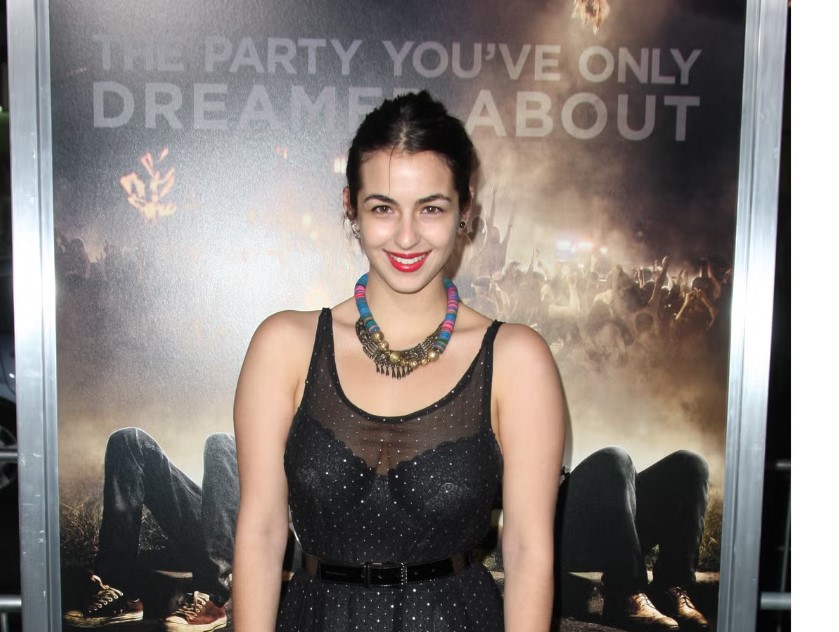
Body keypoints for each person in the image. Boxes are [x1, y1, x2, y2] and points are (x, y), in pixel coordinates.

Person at [232, 91, 567, 632]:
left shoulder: (516, 359)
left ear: (465, 208)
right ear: (352, 207)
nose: (407, 236)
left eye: (431, 208)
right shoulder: (284, 346)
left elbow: (528, 551)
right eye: (383, 208)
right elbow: (261, 532)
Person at [62, 427, 239, 631]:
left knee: (222, 443)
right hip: (208, 527)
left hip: (242, 536)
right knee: (129, 440)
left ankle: (213, 599)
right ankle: (118, 590)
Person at [557, 447, 711, 632]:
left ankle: (668, 590)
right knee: (613, 458)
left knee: (690, 464)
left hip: (607, 526)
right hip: (558, 531)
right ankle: (624, 594)